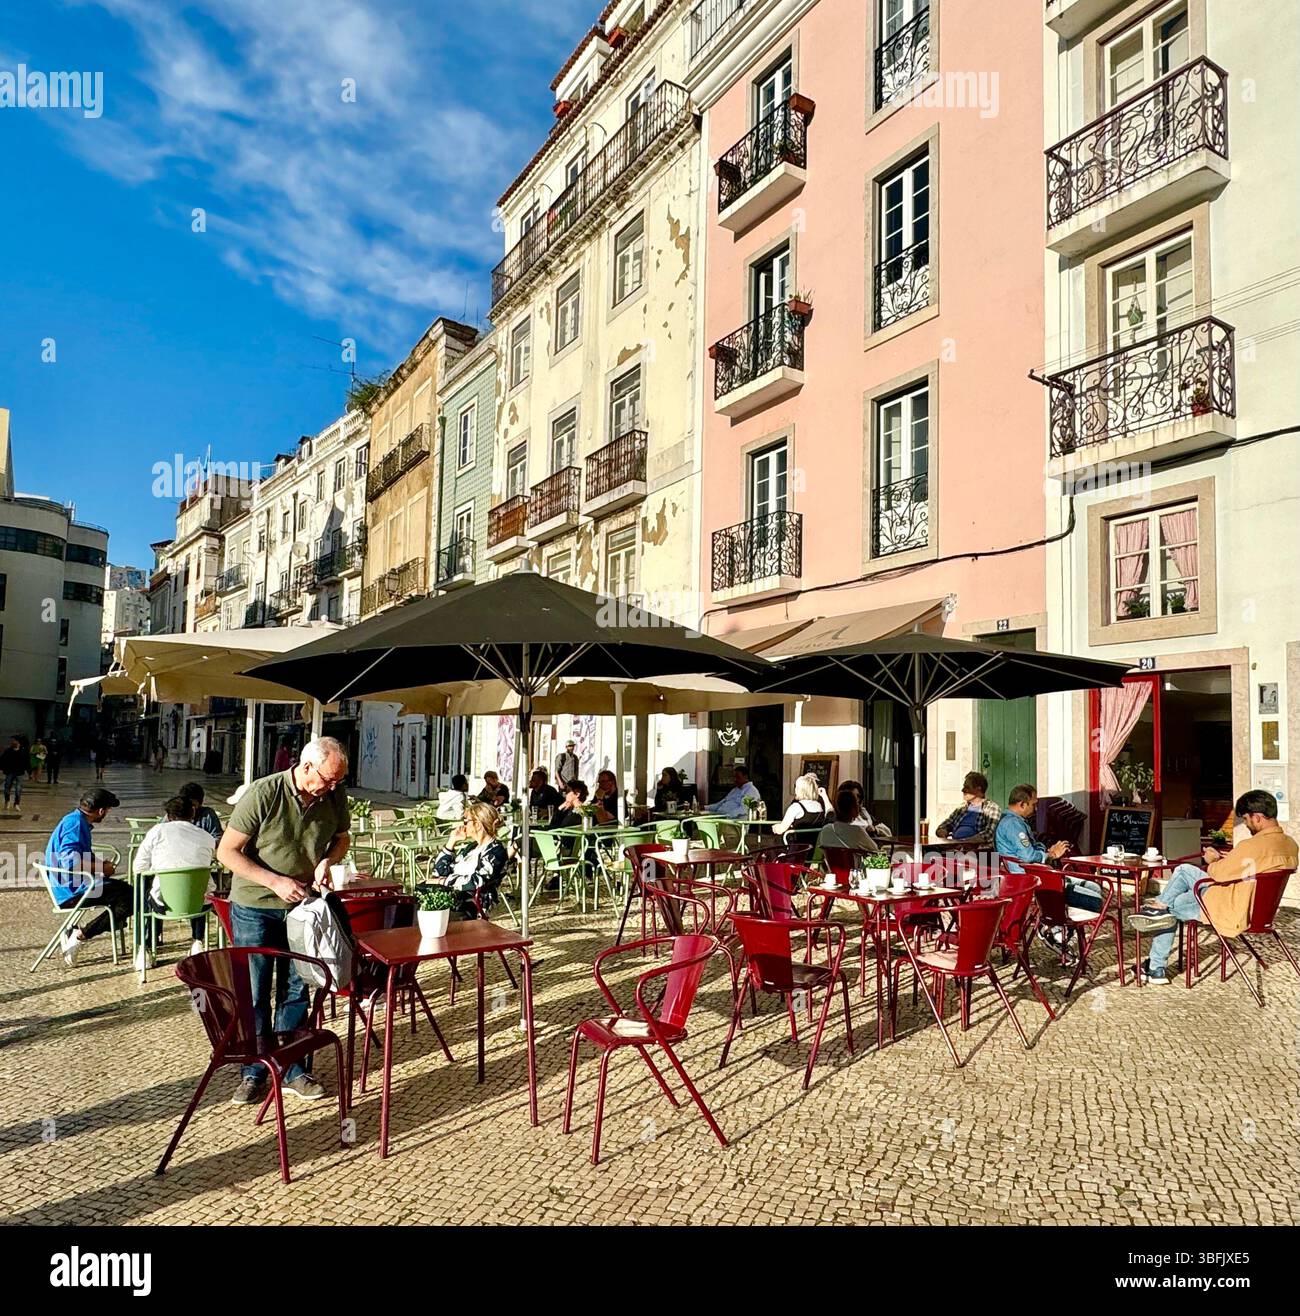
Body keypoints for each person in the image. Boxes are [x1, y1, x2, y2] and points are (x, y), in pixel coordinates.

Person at [217, 735, 351, 1105]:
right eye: (328, 779)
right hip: (254, 905)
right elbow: (227, 851)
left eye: (338, 781)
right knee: (256, 990)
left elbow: (342, 838)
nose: (333, 787)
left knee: (297, 987)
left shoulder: (333, 795)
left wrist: (328, 860)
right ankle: (255, 1070)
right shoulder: (263, 793)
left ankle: (292, 1067)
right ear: (307, 767)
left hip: (302, 907)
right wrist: (273, 881)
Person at [1130, 789, 1299, 985]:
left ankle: (1156, 959)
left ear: (1258, 817)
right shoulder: (1290, 845)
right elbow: (1251, 868)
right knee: (1179, 888)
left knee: (1178, 887)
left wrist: (1213, 860)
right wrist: (1226, 861)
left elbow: (1218, 874)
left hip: (1228, 906)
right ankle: (1158, 914)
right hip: (1257, 911)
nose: (1246, 824)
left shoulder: (1251, 846)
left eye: (1246, 819)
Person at [996, 786, 1103, 949]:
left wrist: (1048, 852)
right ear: (1022, 804)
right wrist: (1050, 855)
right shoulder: (1013, 825)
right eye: (1033, 804)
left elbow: (1032, 850)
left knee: (1093, 886)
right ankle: (1054, 928)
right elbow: (1028, 856)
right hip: (1035, 879)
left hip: (1040, 874)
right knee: (1095, 900)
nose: (1036, 808)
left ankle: (1060, 928)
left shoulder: (1016, 822)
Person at [44, 787, 129, 966]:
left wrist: (98, 865)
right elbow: (70, 861)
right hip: (72, 892)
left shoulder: (74, 820)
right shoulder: (75, 824)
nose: (106, 814)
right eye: (107, 810)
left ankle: (77, 931)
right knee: (131, 897)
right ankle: (80, 935)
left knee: (125, 893)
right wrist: (101, 868)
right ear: (101, 810)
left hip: (73, 885)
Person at [133, 795, 217, 955]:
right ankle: (198, 940)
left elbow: (139, 867)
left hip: (164, 903)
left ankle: (146, 945)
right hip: (200, 903)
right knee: (198, 886)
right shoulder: (206, 837)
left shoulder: (157, 832)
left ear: (169, 816)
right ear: (193, 812)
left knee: (144, 887)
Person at [424, 799, 509, 921]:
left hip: (470, 905)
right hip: (453, 900)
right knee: (408, 909)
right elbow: (438, 872)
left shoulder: (495, 852)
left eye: (466, 821)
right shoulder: (471, 848)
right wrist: (451, 842)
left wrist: (443, 882)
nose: (463, 825)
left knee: (420, 918)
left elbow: (476, 881)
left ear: (478, 825)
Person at [935, 771, 1002, 848]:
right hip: (956, 849)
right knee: (927, 853)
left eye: (967, 787)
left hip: (980, 852)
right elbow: (943, 826)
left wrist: (965, 842)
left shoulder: (992, 808)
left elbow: (989, 833)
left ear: (978, 789)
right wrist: (943, 833)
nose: (962, 790)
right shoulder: (961, 808)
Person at [817, 789, 881, 854]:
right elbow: (875, 850)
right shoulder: (857, 831)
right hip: (853, 864)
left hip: (832, 864)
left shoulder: (825, 829)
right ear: (854, 809)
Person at [774, 772, 831, 837]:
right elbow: (831, 814)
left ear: (799, 790)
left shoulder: (796, 807)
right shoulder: (819, 806)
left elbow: (781, 829)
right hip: (815, 844)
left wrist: (775, 828)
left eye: (796, 787)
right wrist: (824, 796)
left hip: (800, 845)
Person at [2, 736, 26, 812]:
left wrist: (29, 772)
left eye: (16, 742)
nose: (15, 743)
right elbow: (2, 760)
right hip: (10, 772)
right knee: (7, 788)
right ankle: (7, 801)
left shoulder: (22, 751)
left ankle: (17, 804)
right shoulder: (8, 751)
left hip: (19, 772)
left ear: (19, 743)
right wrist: (3, 769)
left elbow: (26, 762)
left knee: (18, 789)